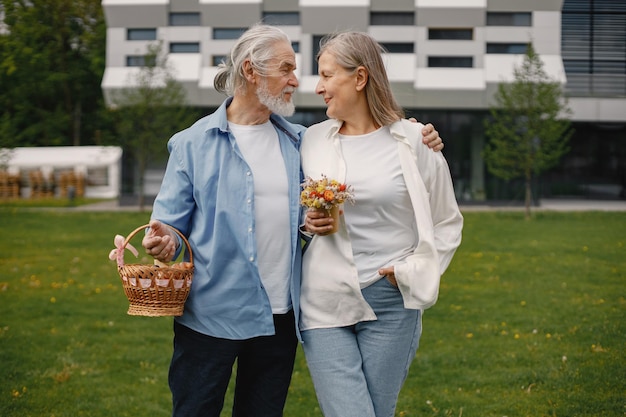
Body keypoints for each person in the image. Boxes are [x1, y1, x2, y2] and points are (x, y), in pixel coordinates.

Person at [141, 24, 443, 417]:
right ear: (251, 72)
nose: (296, 81)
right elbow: (170, 230)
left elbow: (361, 142)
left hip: (279, 319)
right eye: (286, 69)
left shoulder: (301, 141)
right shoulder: (192, 144)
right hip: (210, 319)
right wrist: (165, 244)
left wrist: (422, 137)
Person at [300, 32, 464, 417]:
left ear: (360, 78)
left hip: (392, 301)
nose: (319, 87)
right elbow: (296, 216)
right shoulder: (309, 141)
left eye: (327, 76)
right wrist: (308, 224)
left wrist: (413, 271)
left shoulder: (415, 141)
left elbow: (447, 221)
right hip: (323, 300)